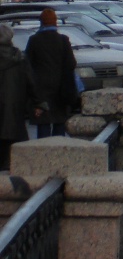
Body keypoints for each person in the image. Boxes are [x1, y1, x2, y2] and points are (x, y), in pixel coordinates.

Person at [25, 9, 78, 138]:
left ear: (41, 22)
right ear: (55, 22)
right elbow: (71, 63)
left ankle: (43, 155)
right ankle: (58, 153)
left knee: (43, 124)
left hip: (40, 90)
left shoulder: (34, 40)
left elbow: (27, 66)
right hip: (61, 89)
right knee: (59, 123)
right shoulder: (63, 40)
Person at [0, 24, 34, 169]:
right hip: (15, 110)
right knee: (16, 160)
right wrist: (38, 103)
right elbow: (31, 82)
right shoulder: (19, 58)